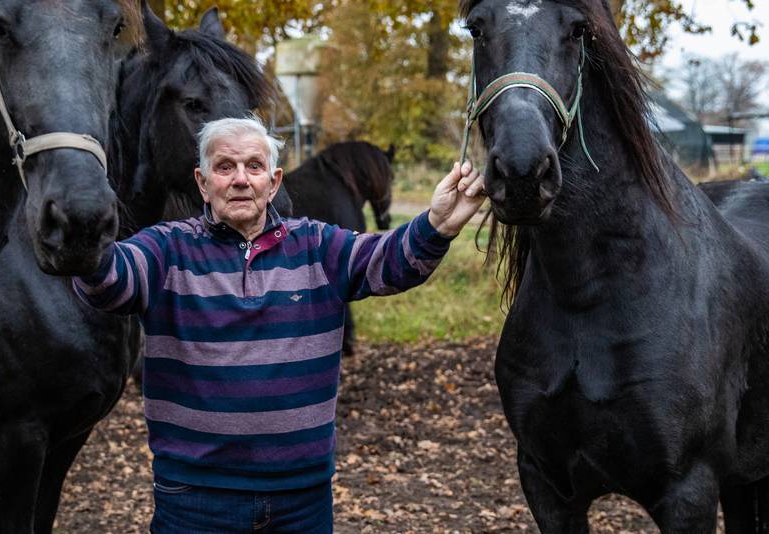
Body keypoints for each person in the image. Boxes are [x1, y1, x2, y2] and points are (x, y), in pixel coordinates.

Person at [73, 117, 485, 533]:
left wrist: (438, 225)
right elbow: (112, 282)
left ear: (273, 182)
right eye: (224, 167)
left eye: (254, 166)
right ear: (202, 182)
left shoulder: (316, 246)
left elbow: (389, 261)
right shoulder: (167, 249)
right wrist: (85, 238)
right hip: (195, 500)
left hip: (301, 502)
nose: (240, 180)